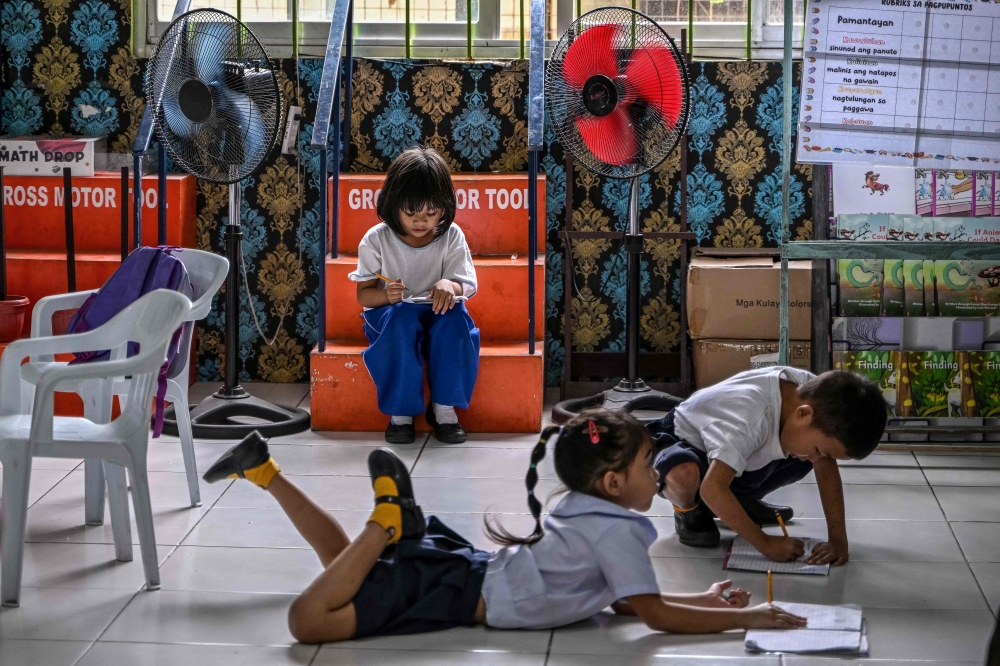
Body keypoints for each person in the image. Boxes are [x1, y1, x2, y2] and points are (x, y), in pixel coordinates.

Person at [201, 412, 807, 644]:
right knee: (307, 623)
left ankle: (264, 469)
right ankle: (387, 521)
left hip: (462, 571)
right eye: (651, 467)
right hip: (456, 592)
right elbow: (649, 614)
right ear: (614, 484)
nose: (661, 477)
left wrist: (698, 598)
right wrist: (742, 618)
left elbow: (624, 601)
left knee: (342, 566)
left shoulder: (580, 506)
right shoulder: (618, 530)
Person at [649, 367, 887, 564]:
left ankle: (737, 501)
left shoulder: (815, 396)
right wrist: (765, 543)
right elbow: (711, 488)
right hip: (681, 443)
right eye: (819, 450)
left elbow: (826, 469)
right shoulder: (749, 417)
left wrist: (838, 540)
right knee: (684, 474)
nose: (815, 457)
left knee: (810, 456)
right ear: (804, 414)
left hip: (733, 456)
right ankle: (689, 512)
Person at [349, 145, 478, 444]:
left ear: (444, 208)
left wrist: (450, 285)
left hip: (438, 310)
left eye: (431, 213)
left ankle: (444, 410)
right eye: (411, 213)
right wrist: (387, 297)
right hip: (393, 314)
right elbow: (364, 296)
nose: (421, 222)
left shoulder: (451, 235)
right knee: (400, 322)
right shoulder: (376, 239)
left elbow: (466, 285)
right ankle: (400, 415)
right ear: (393, 205)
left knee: (456, 321)